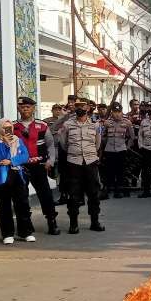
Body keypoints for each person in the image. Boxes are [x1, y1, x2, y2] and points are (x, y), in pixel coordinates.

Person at [14, 97, 59, 234]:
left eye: (28, 106)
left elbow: (51, 145)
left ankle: (52, 222)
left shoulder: (42, 125)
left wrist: (50, 161)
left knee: (45, 194)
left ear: (33, 108)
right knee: (21, 196)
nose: (25, 109)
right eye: (22, 107)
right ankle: (25, 223)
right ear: (18, 108)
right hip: (21, 166)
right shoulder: (13, 126)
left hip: (39, 165)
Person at [59, 98, 104, 233]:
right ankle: (73, 224)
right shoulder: (67, 125)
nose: (80, 109)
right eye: (77, 107)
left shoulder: (95, 125)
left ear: (88, 108)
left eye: (83, 107)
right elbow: (63, 143)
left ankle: (94, 222)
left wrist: (90, 154)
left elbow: (97, 143)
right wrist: (75, 153)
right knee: (73, 194)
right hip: (74, 163)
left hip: (90, 162)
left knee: (93, 194)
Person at [0, 117, 34, 245]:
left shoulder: (18, 140)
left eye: (10, 127)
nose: (8, 130)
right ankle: (7, 234)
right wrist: (5, 144)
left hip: (17, 174)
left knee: (22, 204)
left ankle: (26, 232)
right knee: (4, 206)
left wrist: (12, 161)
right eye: (5, 127)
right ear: (0, 129)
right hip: (1, 177)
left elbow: (25, 155)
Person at [101, 101, 135, 199]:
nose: (116, 114)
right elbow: (102, 136)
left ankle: (118, 190)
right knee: (109, 171)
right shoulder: (107, 123)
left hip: (121, 150)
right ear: (111, 112)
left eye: (118, 112)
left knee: (120, 171)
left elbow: (132, 137)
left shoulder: (127, 122)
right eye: (114, 112)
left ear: (121, 112)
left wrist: (127, 147)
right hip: (109, 150)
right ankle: (107, 190)